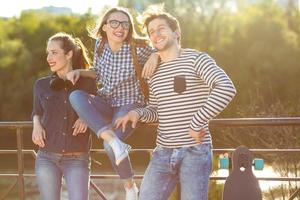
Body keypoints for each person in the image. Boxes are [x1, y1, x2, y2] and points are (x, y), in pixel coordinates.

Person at [115, 5, 237, 200]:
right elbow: (156, 109)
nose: (156, 34)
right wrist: (138, 113)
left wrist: (197, 122)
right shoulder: (152, 72)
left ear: (176, 32)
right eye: (152, 32)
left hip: (195, 151)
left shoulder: (197, 59)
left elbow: (226, 88)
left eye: (161, 28)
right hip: (162, 152)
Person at [66, 7, 159, 200]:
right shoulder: (100, 46)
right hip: (106, 102)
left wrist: (155, 55)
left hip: (129, 105)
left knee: (110, 146)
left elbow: (163, 51)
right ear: (105, 27)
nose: (120, 27)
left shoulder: (138, 47)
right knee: (75, 96)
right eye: (115, 23)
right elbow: (97, 72)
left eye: (125, 23)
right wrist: (80, 72)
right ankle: (116, 142)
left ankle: (130, 187)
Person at [31, 32, 96, 200]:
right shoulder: (41, 85)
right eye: (48, 53)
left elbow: (101, 108)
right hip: (46, 157)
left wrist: (86, 116)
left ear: (69, 55)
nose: (49, 57)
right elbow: (36, 111)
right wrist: (36, 124)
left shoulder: (88, 83)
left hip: (77, 158)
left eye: (54, 52)